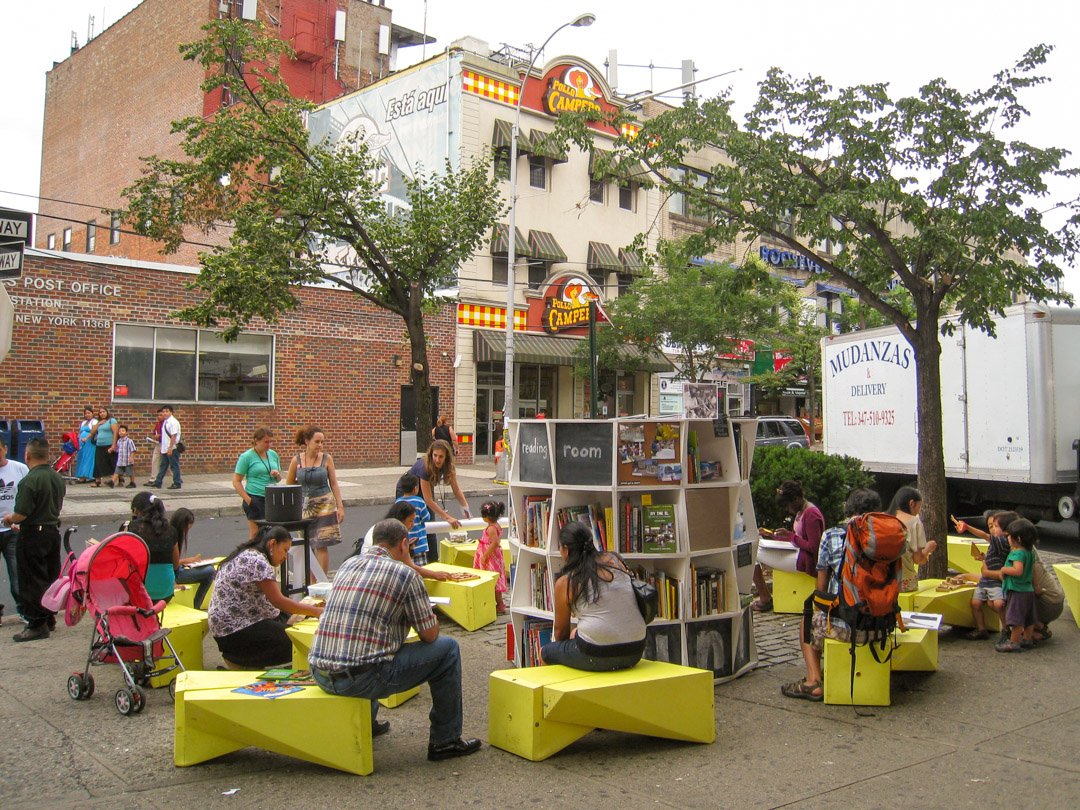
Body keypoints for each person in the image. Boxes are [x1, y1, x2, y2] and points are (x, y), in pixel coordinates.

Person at [309, 518, 481, 761]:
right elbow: (429, 635)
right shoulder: (406, 575)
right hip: (361, 679)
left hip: (320, 673)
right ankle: (446, 739)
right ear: (403, 544)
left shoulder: (348, 565)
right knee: (448, 650)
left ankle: (367, 722)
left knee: (367, 643)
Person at [781, 487, 881, 701]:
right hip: (882, 627)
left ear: (849, 508)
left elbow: (821, 591)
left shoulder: (833, 535)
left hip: (848, 628)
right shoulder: (889, 539)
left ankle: (813, 681)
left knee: (807, 622)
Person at [208, 525, 323, 669]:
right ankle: (242, 661)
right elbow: (278, 601)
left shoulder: (248, 553)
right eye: (285, 550)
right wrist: (315, 611)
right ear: (272, 543)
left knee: (288, 620)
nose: (285, 557)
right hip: (234, 630)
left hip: (226, 625)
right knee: (297, 641)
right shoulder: (257, 562)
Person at [540, 521, 646, 671]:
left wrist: (564, 650)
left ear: (566, 550)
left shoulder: (567, 582)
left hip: (596, 655)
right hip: (636, 650)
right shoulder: (614, 560)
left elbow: (560, 632)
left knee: (546, 653)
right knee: (575, 633)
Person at [2, 439, 66, 642]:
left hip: (33, 534)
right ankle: (49, 618)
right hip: (51, 531)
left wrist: (9, 518)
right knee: (49, 577)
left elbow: (21, 512)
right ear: (47, 455)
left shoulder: (30, 480)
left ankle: (37, 623)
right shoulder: (57, 477)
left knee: (31, 580)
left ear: (27, 455)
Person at [751, 480, 825, 612]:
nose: (787, 509)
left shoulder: (811, 514)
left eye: (788, 506)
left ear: (796, 499)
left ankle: (765, 598)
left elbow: (814, 547)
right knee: (757, 542)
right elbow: (798, 538)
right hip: (798, 553)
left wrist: (791, 536)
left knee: (751, 552)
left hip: (806, 560)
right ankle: (765, 597)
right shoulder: (802, 510)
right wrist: (773, 535)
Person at [396, 439, 472, 561]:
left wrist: (466, 509)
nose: (437, 459)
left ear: (446, 457)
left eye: (441, 457)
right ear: (431, 454)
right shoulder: (424, 467)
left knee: (429, 522)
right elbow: (428, 500)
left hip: (423, 487)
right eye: (435, 455)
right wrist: (447, 517)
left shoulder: (449, 467)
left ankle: (432, 560)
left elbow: (456, 490)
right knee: (411, 523)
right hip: (407, 489)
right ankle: (407, 557)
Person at [285, 426, 344, 576]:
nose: (320, 445)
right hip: (305, 507)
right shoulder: (296, 460)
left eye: (322, 442)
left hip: (325, 505)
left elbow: (334, 483)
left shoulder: (327, 459)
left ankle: (322, 581)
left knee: (322, 544)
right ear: (307, 441)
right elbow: (290, 485)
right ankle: (310, 581)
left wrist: (340, 506)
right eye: (317, 441)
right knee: (307, 545)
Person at [952, 510, 1016, 640]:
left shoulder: (1002, 541)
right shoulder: (997, 543)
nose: (992, 530)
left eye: (995, 526)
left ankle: (1006, 628)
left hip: (994, 582)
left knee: (998, 604)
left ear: (1006, 530)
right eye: (990, 526)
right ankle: (981, 629)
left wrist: (967, 527)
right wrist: (984, 557)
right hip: (984, 582)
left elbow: (984, 535)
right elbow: (994, 557)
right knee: (975, 603)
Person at [991, 518, 1038, 653]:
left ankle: (1014, 642)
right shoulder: (1029, 553)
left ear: (1017, 538)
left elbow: (1018, 570)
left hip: (1017, 590)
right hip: (1028, 590)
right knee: (1028, 617)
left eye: (1009, 536)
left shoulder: (1017, 553)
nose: (1007, 539)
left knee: (1016, 618)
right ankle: (1027, 639)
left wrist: (1004, 570)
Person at [126, 491, 179, 603]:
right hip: (166, 591)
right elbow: (176, 564)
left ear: (136, 510)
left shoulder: (131, 528)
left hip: (141, 590)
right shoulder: (171, 530)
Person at [233, 427, 282, 540]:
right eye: (266, 442)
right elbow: (236, 481)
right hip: (255, 496)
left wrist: (276, 475)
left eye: (271, 441)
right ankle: (254, 555)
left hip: (271, 497)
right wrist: (248, 499)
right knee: (256, 534)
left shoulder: (273, 454)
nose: (268, 445)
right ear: (256, 441)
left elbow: (278, 479)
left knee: (272, 533)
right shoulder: (247, 457)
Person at [0, 437, 29, 624]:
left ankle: (24, 610)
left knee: (17, 572)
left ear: (4, 449)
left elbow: (28, 495)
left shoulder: (19, 468)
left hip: (13, 528)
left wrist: (23, 519)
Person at [887, 486, 937, 592]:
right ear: (912, 504)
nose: (918, 512)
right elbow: (918, 559)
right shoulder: (915, 522)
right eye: (919, 507)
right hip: (905, 583)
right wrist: (928, 548)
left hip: (884, 581)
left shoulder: (884, 518)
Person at [170, 507, 215, 610]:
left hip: (175, 571)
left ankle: (196, 607)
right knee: (210, 570)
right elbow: (173, 564)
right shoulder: (173, 535)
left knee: (208, 576)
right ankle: (196, 607)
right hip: (174, 575)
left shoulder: (171, 533)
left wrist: (190, 561)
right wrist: (187, 561)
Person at [474, 500, 508, 613]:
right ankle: (498, 603)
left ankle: (500, 604)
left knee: (493, 582)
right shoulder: (495, 526)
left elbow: (495, 543)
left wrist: (485, 556)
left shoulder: (491, 528)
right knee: (494, 581)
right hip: (493, 556)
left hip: (490, 558)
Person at [396, 472, 434, 565]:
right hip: (420, 543)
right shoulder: (419, 501)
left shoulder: (398, 502)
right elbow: (426, 517)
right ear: (415, 488)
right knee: (421, 571)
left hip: (405, 545)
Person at [149, 405, 182, 490]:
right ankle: (158, 482)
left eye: (167, 411)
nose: (165, 413)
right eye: (163, 411)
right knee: (163, 466)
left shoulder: (173, 422)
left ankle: (177, 482)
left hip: (172, 448)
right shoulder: (165, 422)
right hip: (165, 448)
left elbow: (173, 436)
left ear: (171, 412)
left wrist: (170, 448)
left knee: (174, 466)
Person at [89, 405, 117, 488]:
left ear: (107, 412)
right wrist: (98, 424)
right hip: (99, 444)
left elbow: (115, 432)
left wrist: (114, 445)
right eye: (100, 412)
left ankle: (116, 479)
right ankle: (97, 481)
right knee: (98, 463)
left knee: (112, 462)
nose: (102, 413)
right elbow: (92, 432)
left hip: (109, 444)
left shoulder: (112, 421)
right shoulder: (99, 422)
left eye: (103, 412)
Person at [144, 407, 166, 488]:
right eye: (158, 415)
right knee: (155, 461)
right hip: (158, 444)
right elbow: (154, 433)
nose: (159, 416)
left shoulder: (166, 424)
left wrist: (159, 435)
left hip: (165, 444)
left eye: (161, 415)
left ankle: (176, 477)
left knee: (169, 462)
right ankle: (153, 478)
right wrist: (154, 437)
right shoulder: (157, 424)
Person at [75, 406, 97, 483]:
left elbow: (93, 432)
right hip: (82, 443)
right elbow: (80, 432)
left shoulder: (94, 421)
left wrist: (86, 438)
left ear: (92, 413)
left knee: (88, 458)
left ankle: (89, 476)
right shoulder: (83, 422)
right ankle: (81, 475)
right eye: (85, 413)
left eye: (89, 413)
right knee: (82, 457)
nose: (87, 415)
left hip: (89, 442)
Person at [112, 424, 137, 489]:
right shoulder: (119, 441)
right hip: (120, 460)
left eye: (123, 431)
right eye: (120, 431)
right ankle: (112, 482)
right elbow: (118, 450)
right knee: (117, 471)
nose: (121, 432)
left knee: (130, 472)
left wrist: (131, 457)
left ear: (126, 432)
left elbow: (133, 450)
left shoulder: (129, 441)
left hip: (127, 460)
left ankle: (132, 482)